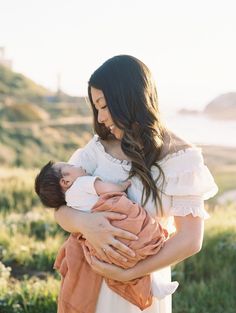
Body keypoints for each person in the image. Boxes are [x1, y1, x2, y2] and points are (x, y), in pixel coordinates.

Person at [54, 55, 218, 313]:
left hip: (141, 285)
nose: (101, 117)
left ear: (128, 98)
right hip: (90, 277)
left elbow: (190, 239)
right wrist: (86, 224)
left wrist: (128, 271)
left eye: (105, 105)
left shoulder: (182, 159)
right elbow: (60, 209)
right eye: (96, 107)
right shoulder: (98, 149)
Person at [34, 161, 179, 309]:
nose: (78, 165)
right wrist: (122, 187)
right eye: (70, 166)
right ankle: (155, 282)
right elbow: (105, 188)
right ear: (65, 181)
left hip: (102, 243)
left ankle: (152, 285)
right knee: (143, 233)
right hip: (115, 221)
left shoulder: (69, 201)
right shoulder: (82, 184)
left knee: (125, 257)